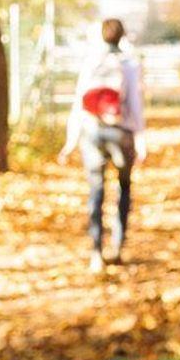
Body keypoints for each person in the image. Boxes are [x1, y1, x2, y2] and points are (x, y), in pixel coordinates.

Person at [62, 18, 145, 273]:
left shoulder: (91, 62)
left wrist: (70, 141)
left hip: (92, 131)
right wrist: (141, 139)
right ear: (122, 36)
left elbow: (79, 103)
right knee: (124, 186)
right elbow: (135, 104)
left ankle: (96, 251)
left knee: (96, 190)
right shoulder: (129, 64)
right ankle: (117, 245)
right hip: (121, 133)